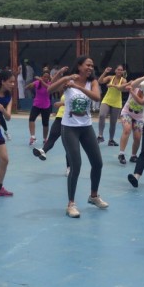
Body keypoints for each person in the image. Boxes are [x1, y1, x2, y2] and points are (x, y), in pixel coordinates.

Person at [48, 55, 108, 218]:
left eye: (92, 66)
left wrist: (78, 86)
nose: (90, 68)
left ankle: (93, 196)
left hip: (86, 127)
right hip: (69, 128)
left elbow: (96, 97)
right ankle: (71, 204)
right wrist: (66, 78)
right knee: (76, 165)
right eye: (87, 65)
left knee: (98, 163)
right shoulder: (68, 82)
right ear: (79, 66)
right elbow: (50, 90)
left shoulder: (92, 82)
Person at [32, 91, 70, 175]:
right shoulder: (65, 90)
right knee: (52, 137)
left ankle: (69, 167)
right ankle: (43, 151)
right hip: (59, 117)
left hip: (70, 120)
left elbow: (76, 104)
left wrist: (62, 103)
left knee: (68, 145)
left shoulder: (79, 90)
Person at [96, 65, 126, 146]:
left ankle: (111, 140)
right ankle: (100, 135)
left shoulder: (124, 80)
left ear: (123, 72)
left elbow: (121, 89)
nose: (119, 71)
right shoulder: (110, 77)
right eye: (118, 69)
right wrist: (105, 72)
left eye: (121, 70)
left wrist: (112, 85)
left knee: (113, 122)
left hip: (117, 103)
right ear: (115, 70)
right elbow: (100, 81)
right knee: (102, 115)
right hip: (107, 100)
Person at [25, 69, 54, 145]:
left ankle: (45, 139)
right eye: (44, 77)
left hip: (46, 106)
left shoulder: (50, 84)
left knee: (45, 124)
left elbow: (48, 88)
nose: (46, 78)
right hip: (36, 105)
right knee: (31, 119)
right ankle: (33, 137)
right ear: (42, 76)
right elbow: (28, 87)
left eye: (47, 77)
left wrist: (41, 80)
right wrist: (30, 85)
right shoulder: (37, 83)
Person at [117, 83, 144, 165]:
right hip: (127, 113)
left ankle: (133, 155)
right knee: (127, 129)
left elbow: (141, 102)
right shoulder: (135, 85)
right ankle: (121, 154)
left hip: (139, 117)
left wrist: (131, 92)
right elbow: (119, 88)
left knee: (137, 137)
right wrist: (129, 84)